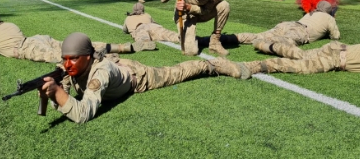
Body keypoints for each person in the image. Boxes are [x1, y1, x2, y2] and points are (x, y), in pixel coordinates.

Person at [38, 32, 248, 123]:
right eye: (65, 59)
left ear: (86, 57)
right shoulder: (69, 67)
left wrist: (56, 93)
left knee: (176, 72)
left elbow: (83, 114)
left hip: (138, 76)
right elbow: (65, 91)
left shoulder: (99, 73)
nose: (67, 64)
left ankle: (211, 65)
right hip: (116, 66)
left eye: (73, 59)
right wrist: (52, 92)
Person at [0, 12, 155, 62]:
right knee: (81, 44)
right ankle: (127, 47)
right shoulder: (9, 24)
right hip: (37, 38)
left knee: (68, 58)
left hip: (29, 49)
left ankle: (109, 59)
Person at [233, 0, 340, 56]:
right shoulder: (329, 18)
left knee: (258, 35)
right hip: (301, 30)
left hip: (288, 24)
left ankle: (230, 38)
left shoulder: (310, 13)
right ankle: (263, 44)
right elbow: (336, 36)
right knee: (286, 41)